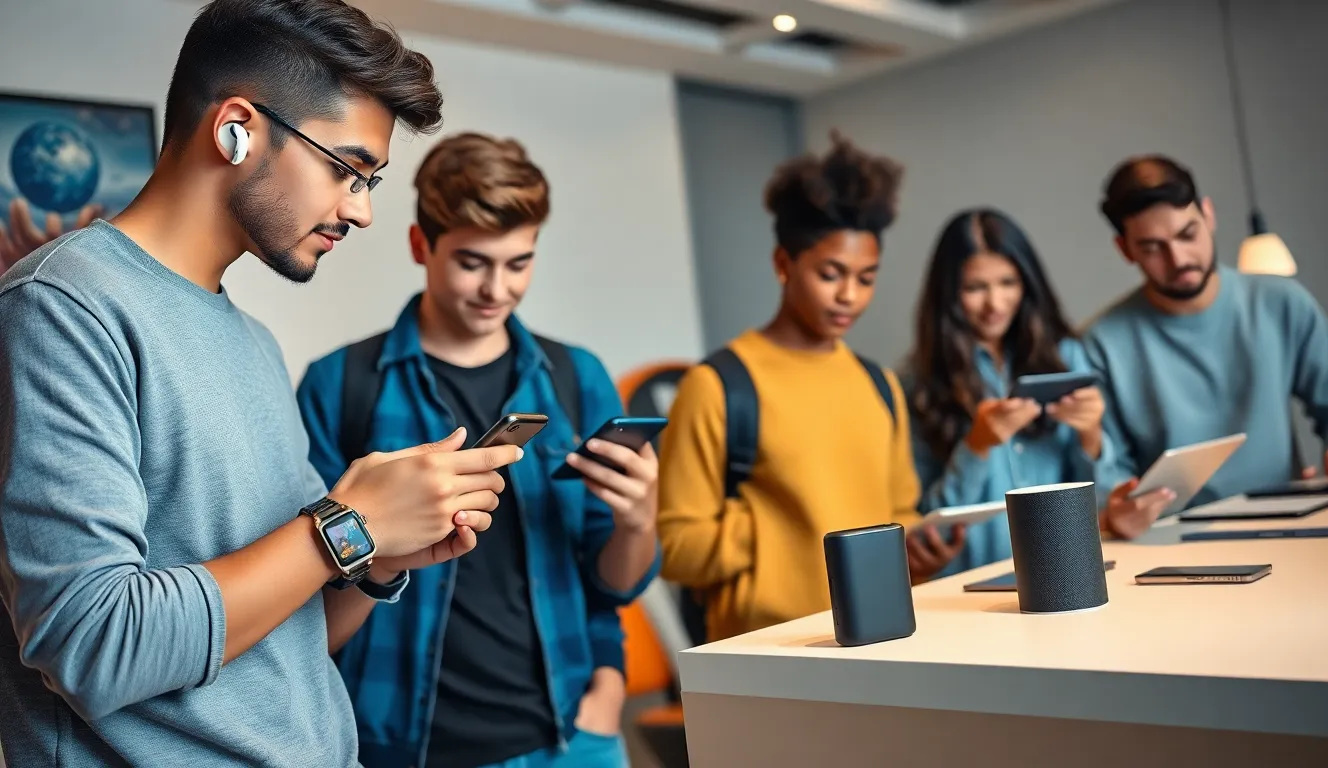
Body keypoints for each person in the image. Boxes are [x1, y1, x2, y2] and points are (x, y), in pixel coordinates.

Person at [0, 2, 520, 765]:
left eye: (370, 180)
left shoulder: (253, 343)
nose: (362, 209)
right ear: (235, 128)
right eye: (345, 169)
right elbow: (93, 642)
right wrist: (347, 524)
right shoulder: (62, 309)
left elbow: (296, 631)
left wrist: (374, 560)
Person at [296, 132, 660, 768]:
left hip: (574, 736)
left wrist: (640, 520)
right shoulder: (342, 384)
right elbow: (309, 588)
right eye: (472, 262)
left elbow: (614, 584)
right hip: (400, 744)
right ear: (421, 246)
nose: (498, 288)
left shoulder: (577, 377)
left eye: (519, 263)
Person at [657, 131, 956, 644]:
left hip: (880, 642)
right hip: (766, 656)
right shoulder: (717, 386)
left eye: (866, 278)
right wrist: (779, 529)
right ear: (782, 264)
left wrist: (919, 549)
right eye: (831, 274)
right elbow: (676, 548)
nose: (849, 296)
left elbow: (898, 515)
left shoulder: (878, 383)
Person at [1086, 155, 1328, 539]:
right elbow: (1109, 471)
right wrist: (1116, 511)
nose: (1179, 259)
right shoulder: (1100, 343)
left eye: (1187, 234)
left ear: (1208, 214)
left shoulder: (1283, 303)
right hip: (1171, 538)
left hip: (1286, 520)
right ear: (1125, 249)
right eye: (1153, 248)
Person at [903, 208, 1112, 576]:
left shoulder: (1067, 357)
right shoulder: (917, 380)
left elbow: (1103, 500)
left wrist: (1091, 435)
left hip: (1065, 573)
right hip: (968, 587)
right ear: (948, 293)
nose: (995, 304)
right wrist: (977, 446)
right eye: (974, 288)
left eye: (1008, 283)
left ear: (1027, 283)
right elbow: (928, 529)